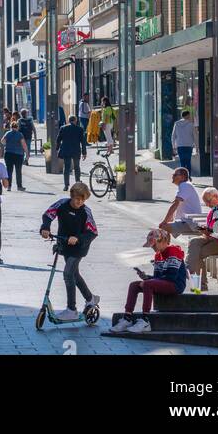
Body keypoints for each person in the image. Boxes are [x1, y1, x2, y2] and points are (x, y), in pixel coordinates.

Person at [39, 183, 99, 322]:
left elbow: (93, 232)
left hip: (79, 248)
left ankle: (71, 309)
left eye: (82, 200)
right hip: (64, 245)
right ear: (72, 196)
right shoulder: (62, 204)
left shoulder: (86, 212)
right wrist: (45, 228)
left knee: (67, 273)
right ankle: (91, 298)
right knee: (74, 274)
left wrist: (78, 238)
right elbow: (48, 215)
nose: (79, 202)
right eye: (77, 198)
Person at [110, 228, 187, 334]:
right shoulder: (158, 255)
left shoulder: (173, 252)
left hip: (176, 285)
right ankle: (127, 318)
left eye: (154, 245)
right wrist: (147, 277)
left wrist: (149, 281)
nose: (153, 248)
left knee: (147, 284)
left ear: (162, 241)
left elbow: (171, 277)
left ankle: (146, 320)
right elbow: (158, 277)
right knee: (134, 285)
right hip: (166, 282)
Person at [186, 187, 218, 290]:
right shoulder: (212, 212)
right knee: (193, 241)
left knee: (197, 254)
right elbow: (212, 230)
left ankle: (198, 282)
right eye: (205, 202)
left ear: (216, 196)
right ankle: (188, 269)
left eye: (208, 201)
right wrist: (206, 230)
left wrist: (210, 231)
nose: (207, 205)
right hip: (212, 239)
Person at [158, 167, 205, 239]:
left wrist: (164, 221)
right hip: (189, 222)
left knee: (163, 227)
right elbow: (177, 205)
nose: (172, 176)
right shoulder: (185, 186)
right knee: (165, 227)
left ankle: (166, 248)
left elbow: (175, 204)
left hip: (190, 223)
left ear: (182, 177)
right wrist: (169, 219)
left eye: (175, 175)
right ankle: (167, 248)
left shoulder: (185, 185)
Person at [56, 116, 87, 187]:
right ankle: (77, 182)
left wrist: (57, 149)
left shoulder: (63, 128)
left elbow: (58, 140)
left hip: (66, 151)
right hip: (76, 151)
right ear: (75, 121)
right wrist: (84, 153)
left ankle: (66, 185)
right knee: (77, 167)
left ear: (68, 120)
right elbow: (83, 142)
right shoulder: (80, 129)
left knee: (66, 167)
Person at [3, 119, 29, 191]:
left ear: (11, 127)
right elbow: (24, 145)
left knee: (9, 171)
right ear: (17, 127)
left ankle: (9, 186)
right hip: (18, 155)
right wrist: (27, 154)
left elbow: (3, 141)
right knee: (18, 171)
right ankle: (19, 186)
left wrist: (8, 143)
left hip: (8, 154)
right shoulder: (20, 134)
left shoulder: (8, 133)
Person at [171, 109, 198, 177]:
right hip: (189, 145)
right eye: (189, 115)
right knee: (188, 162)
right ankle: (188, 177)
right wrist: (197, 147)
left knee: (182, 162)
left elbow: (173, 136)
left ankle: (183, 177)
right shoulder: (191, 124)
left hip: (180, 145)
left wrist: (173, 146)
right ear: (187, 115)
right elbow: (195, 136)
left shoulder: (176, 123)